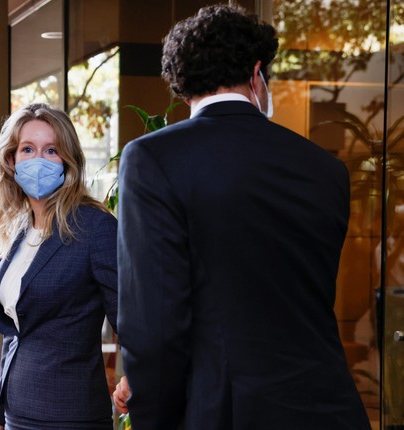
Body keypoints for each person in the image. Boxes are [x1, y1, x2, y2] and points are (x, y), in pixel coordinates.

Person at [115, 4, 370, 429]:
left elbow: (155, 321)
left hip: (224, 412)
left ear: (182, 89)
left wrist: (153, 414)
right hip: (331, 406)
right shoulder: (327, 169)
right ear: (257, 75)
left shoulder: (153, 158)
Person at [0, 103, 118, 429]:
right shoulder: (20, 229)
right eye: (28, 149)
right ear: (11, 160)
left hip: (71, 417)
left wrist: (135, 382)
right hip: (17, 415)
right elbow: (15, 333)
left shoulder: (94, 228)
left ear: (67, 160)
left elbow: (133, 322)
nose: (38, 159)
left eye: (51, 150)